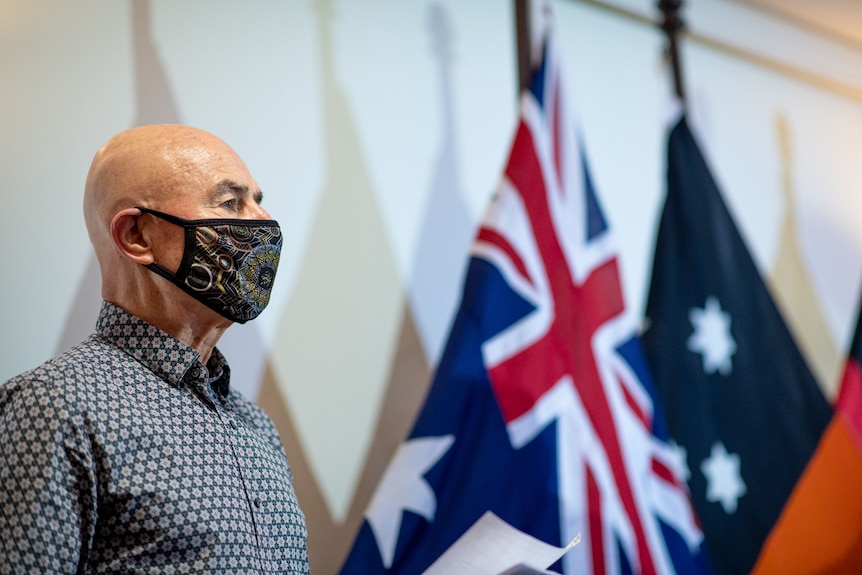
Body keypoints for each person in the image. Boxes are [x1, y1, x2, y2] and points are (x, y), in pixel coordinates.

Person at [0, 125, 310, 574]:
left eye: (258, 200)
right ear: (136, 236)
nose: (263, 222)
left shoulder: (254, 423)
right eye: (230, 202)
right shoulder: (54, 406)